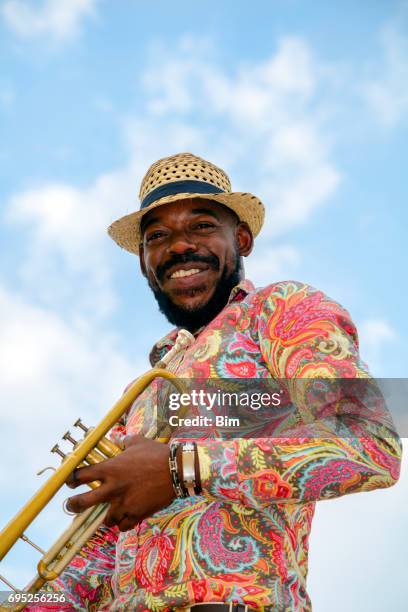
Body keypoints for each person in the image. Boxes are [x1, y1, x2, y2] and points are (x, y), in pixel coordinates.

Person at [44, 153, 401, 611]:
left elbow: (371, 446)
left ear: (244, 239)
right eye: (158, 236)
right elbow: (94, 559)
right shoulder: (143, 390)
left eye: (202, 226)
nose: (178, 247)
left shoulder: (284, 309)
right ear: (143, 262)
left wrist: (180, 469)